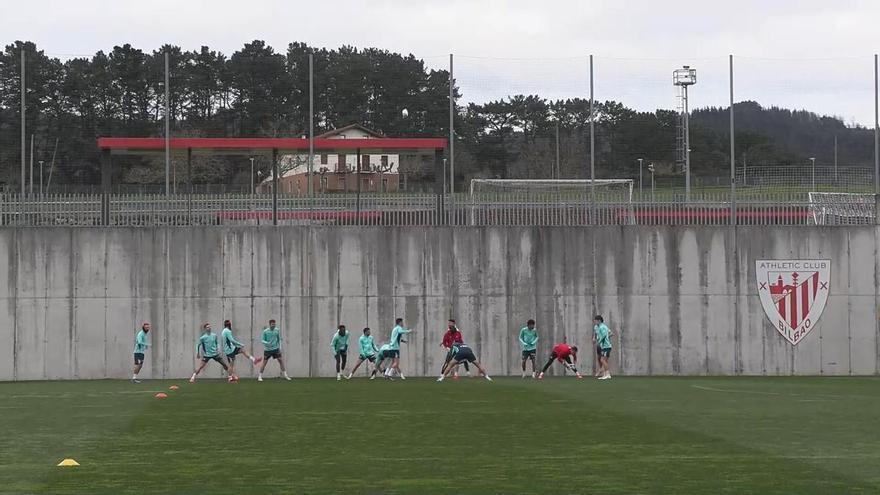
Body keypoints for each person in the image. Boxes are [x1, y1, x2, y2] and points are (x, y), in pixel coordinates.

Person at [593, 315, 613, 380]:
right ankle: (605, 374)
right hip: (603, 346)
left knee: (603, 360)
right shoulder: (596, 327)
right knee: (604, 360)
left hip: (606, 346)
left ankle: (608, 374)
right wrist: (594, 338)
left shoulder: (603, 327)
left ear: (599, 320)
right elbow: (596, 333)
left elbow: (604, 335)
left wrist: (599, 341)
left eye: (595, 320)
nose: (595, 321)